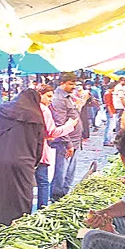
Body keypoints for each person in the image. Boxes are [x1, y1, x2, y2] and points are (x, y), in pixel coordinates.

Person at [0, 89, 45, 231]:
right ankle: (17, 230)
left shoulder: (2, 110)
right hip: (22, 162)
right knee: (21, 198)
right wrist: (34, 162)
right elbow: (39, 145)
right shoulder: (36, 116)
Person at [35, 84, 78, 209]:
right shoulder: (43, 110)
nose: (50, 100)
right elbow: (51, 133)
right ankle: (42, 209)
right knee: (43, 181)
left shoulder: (29, 108)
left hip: (28, 151)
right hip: (39, 152)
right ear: (39, 95)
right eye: (48, 96)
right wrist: (70, 125)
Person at [50, 72, 83, 201]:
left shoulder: (68, 96)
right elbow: (59, 122)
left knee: (70, 171)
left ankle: (64, 194)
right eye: (70, 83)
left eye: (74, 83)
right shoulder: (58, 99)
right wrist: (68, 143)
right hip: (65, 142)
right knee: (61, 171)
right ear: (62, 83)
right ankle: (56, 197)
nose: (73, 86)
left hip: (75, 140)